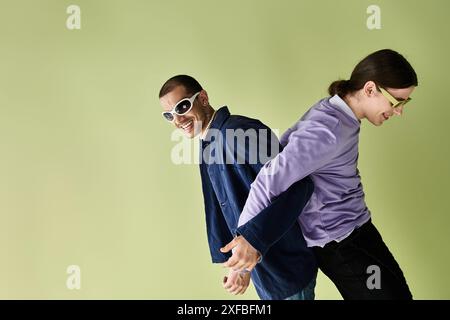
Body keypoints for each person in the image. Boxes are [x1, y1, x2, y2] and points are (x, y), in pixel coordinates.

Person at [221, 49, 418, 300]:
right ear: (370, 89)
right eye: (396, 101)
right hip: (343, 246)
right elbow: (268, 180)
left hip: (359, 230)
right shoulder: (328, 130)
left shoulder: (339, 112)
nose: (399, 111)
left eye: (405, 102)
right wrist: (245, 242)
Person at [159, 75, 317, 300]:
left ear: (202, 98)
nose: (178, 119)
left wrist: (253, 243)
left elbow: (299, 187)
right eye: (169, 115)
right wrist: (240, 267)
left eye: (182, 106)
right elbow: (236, 207)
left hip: (286, 270)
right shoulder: (209, 145)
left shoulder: (240, 132)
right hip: (266, 274)